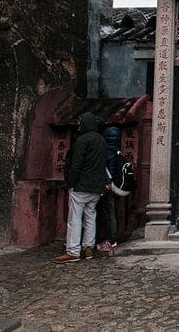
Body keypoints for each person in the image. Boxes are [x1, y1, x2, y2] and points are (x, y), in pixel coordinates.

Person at [53, 112, 106, 264]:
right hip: (96, 186)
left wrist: (70, 182)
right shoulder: (101, 140)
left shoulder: (82, 140)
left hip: (81, 186)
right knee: (90, 216)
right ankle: (88, 247)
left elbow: (76, 165)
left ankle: (73, 251)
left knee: (74, 218)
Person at [96, 126, 120, 252]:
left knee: (108, 212)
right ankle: (112, 238)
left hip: (107, 184)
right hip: (115, 185)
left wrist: (107, 181)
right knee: (111, 212)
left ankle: (111, 240)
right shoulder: (117, 150)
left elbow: (106, 168)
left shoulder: (106, 151)